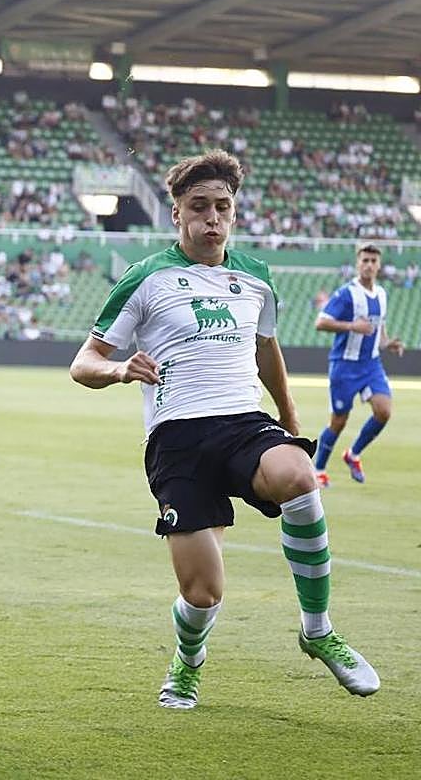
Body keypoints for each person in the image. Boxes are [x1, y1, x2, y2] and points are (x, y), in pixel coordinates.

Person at [69, 149, 379, 710]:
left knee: (298, 474)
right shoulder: (145, 278)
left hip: (242, 424)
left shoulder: (256, 278)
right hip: (177, 441)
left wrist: (289, 420)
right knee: (203, 593)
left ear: (234, 214)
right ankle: (188, 662)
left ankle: (318, 630)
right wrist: (119, 369)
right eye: (199, 207)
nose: (212, 218)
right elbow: (83, 362)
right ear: (177, 216)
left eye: (223, 207)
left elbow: (267, 351)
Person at [312, 244, 405, 487]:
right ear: (357, 263)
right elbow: (320, 323)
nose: (369, 265)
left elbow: (378, 329)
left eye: (374, 261)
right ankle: (319, 470)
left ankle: (353, 454)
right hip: (344, 366)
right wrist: (353, 326)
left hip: (371, 365)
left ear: (379, 265)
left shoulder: (382, 294)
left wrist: (388, 343)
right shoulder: (346, 293)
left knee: (384, 411)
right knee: (338, 422)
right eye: (365, 260)